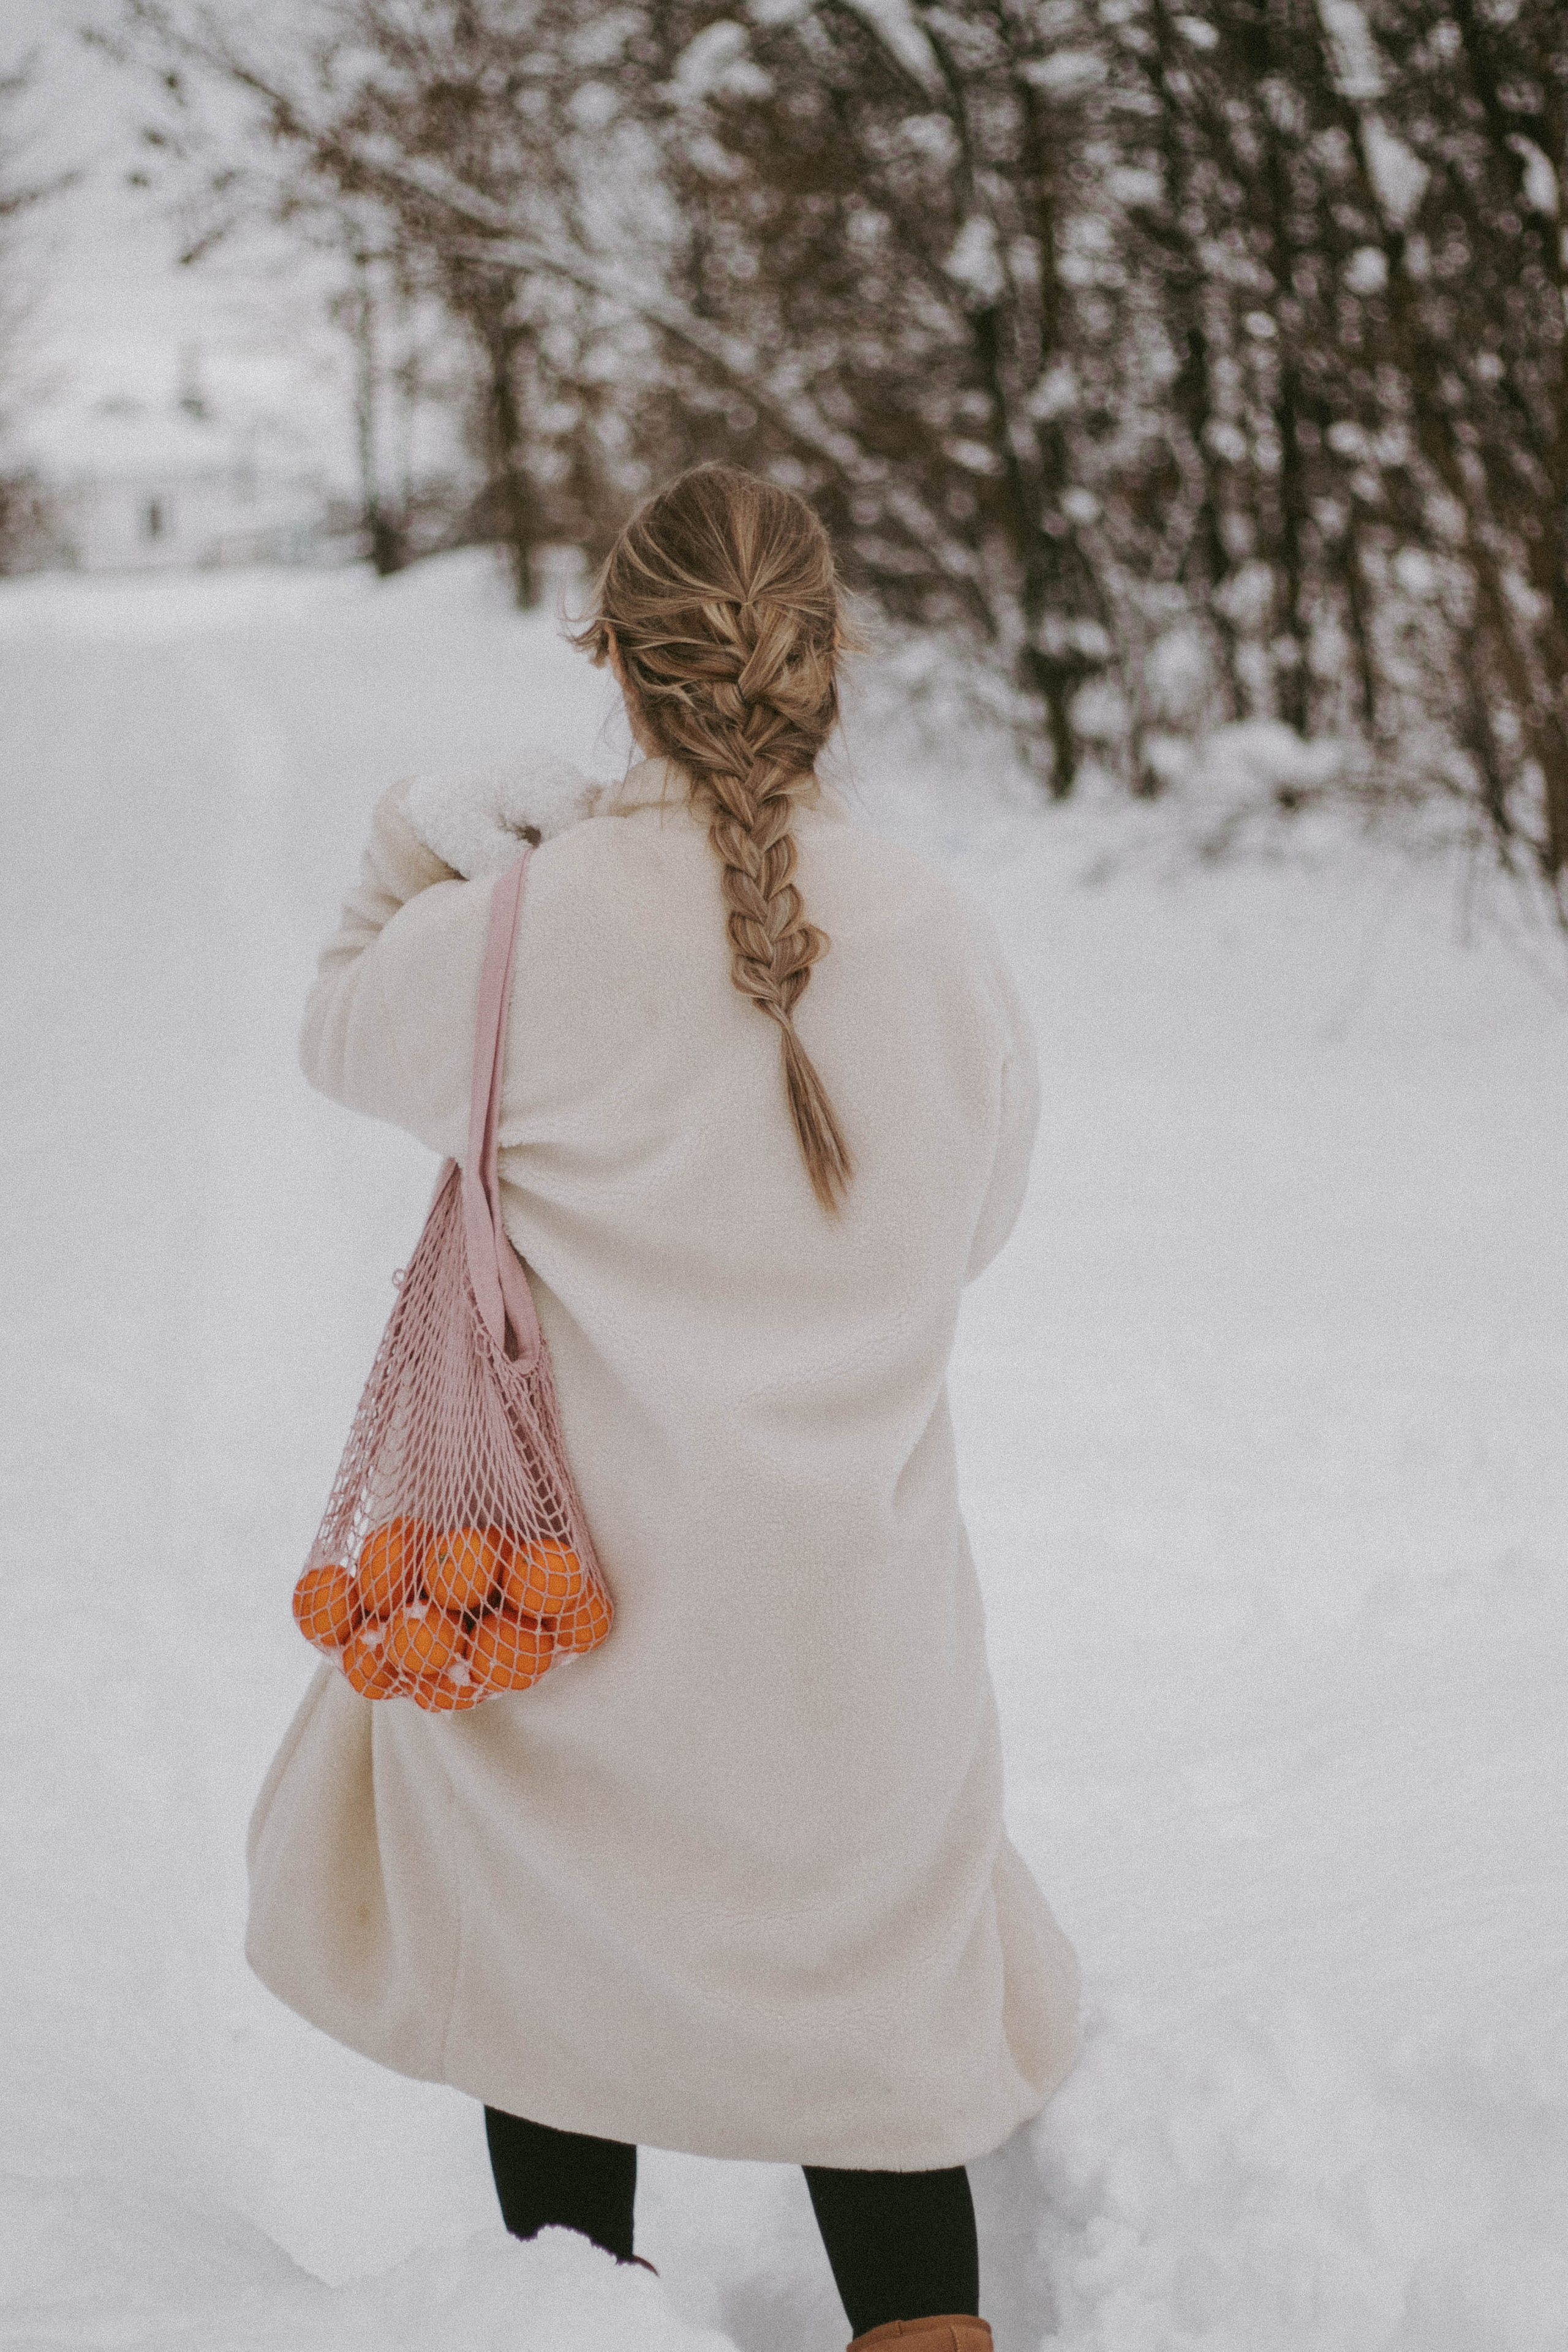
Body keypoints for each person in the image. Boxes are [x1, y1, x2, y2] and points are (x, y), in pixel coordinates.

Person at [246, 462, 1080, 2352]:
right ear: (828, 658)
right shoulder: (942, 936)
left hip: (560, 1625)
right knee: (874, 2043)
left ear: (610, 662)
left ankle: (582, 2316)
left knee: (550, 1976)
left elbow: (331, 1019)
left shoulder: (513, 935)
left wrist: (416, 833)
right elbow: (976, 1229)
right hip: (852, 1665)